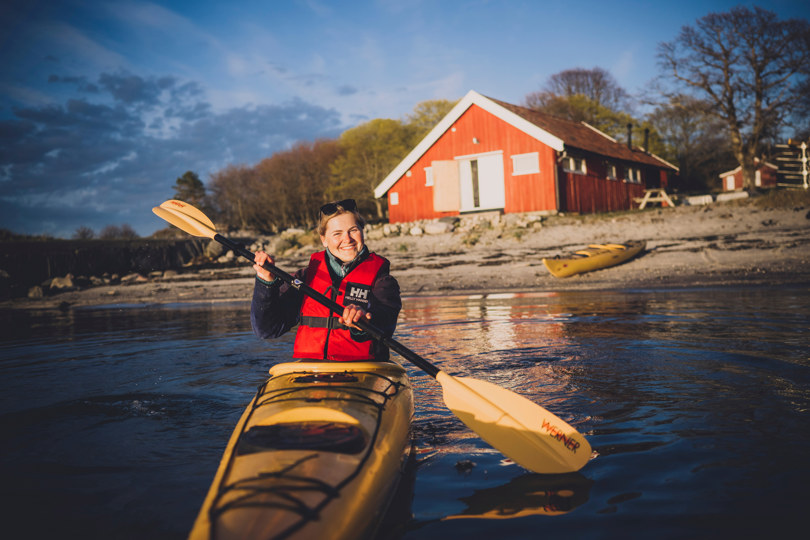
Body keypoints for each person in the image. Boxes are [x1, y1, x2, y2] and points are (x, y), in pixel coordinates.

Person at [251, 199, 401, 362]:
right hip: (311, 371)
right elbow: (266, 330)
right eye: (337, 233)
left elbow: (386, 322)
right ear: (324, 239)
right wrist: (265, 282)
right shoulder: (304, 278)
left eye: (353, 230)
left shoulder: (383, 281)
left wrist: (364, 321)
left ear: (362, 231)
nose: (348, 239)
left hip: (363, 369)